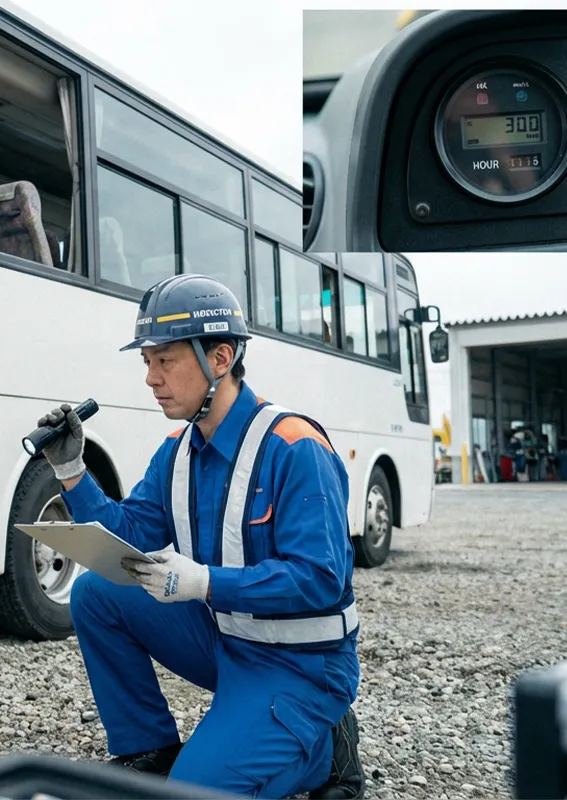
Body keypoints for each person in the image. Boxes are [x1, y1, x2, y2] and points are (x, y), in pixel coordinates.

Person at [34, 274, 364, 799]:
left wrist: (205, 583)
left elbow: (320, 579)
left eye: (165, 360)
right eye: (147, 362)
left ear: (220, 359)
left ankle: (326, 750)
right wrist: (72, 470)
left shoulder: (295, 447)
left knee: (194, 793)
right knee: (97, 591)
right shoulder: (178, 450)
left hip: (301, 665)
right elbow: (129, 536)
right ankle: (149, 748)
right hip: (228, 642)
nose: (151, 378)